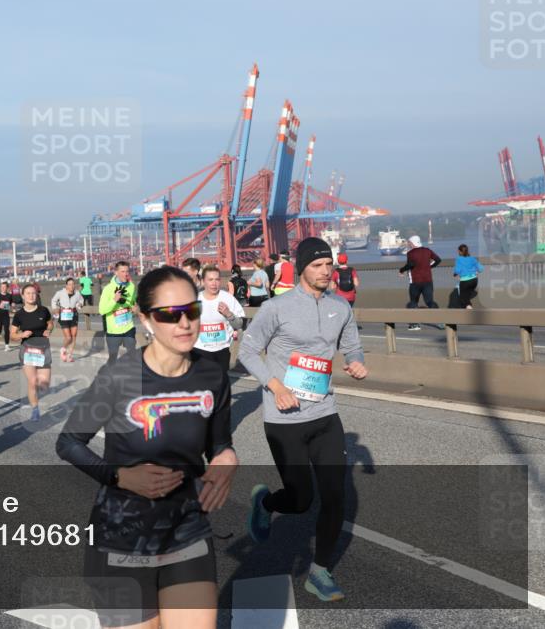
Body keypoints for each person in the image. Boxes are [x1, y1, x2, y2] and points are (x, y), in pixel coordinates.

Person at [56, 265, 237, 629]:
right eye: (170, 314)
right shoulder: (118, 376)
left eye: (191, 310)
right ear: (145, 319)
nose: (184, 323)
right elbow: (69, 442)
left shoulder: (213, 376)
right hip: (122, 536)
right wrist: (120, 477)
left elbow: (219, 443)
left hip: (187, 529)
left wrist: (227, 457)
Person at [239, 236, 368, 603]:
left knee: (335, 497)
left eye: (329, 265)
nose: (326, 271)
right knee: (300, 499)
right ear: (301, 269)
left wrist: (355, 361)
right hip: (284, 419)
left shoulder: (340, 307)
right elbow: (248, 350)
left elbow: (352, 345)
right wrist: (275, 386)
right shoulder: (276, 308)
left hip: (325, 414)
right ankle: (266, 503)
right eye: (317, 265)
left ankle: (320, 571)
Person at [11, 283, 54, 422]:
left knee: (44, 384)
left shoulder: (43, 310)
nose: (31, 295)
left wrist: (49, 330)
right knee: (32, 381)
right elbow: (12, 335)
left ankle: (36, 395)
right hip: (27, 350)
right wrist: (22, 335)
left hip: (43, 350)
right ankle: (35, 409)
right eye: (28, 293)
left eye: (33, 293)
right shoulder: (19, 315)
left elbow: (50, 323)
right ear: (23, 296)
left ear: (37, 295)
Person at [195, 266, 245, 374]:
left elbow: (239, 324)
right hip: (200, 349)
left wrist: (228, 314)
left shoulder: (228, 298)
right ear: (203, 281)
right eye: (210, 280)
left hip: (223, 349)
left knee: (221, 381)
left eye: (217, 279)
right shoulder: (196, 300)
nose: (214, 283)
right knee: (204, 382)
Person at [399, 235, 442, 331]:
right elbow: (438, 260)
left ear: (413, 243)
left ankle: (415, 325)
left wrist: (401, 270)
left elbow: (411, 264)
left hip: (415, 281)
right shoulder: (427, 250)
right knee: (430, 301)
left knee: (413, 302)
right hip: (428, 281)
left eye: (409, 243)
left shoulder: (411, 253)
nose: (409, 244)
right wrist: (429, 267)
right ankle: (441, 321)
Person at [99, 261, 138, 365]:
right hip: (114, 331)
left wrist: (134, 307)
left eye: (127, 271)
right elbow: (101, 310)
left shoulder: (131, 286)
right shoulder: (108, 289)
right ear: (116, 272)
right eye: (122, 271)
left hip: (128, 327)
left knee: (132, 354)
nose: (125, 274)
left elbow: (133, 302)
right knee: (113, 358)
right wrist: (114, 300)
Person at [51, 278, 85, 363]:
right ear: (66, 285)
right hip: (64, 315)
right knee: (68, 337)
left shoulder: (77, 293)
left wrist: (80, 304)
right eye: (69, 284)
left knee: (74, 336)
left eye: (73, 284)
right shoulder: (60, 293)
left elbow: (81, 300)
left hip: (74, 314)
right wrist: (55, 308)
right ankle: (63, 349)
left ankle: (69, 355)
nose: (71, 286)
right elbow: (53, 300)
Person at [453, 244, 483, 309]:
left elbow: (457, 270)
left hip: (465, 281)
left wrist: (454, 274)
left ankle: (469, 310)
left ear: (460, 251)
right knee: (466, 296)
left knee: (463, 299)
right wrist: (476, 272)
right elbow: (481, 268)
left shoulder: (459, 259)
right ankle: (468, 307)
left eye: (458, 251)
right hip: (474, 280)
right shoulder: (472, 258)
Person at [0, 282, 15, 351]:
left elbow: (11, 303)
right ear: (0, 288)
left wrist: (12, 305)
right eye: (2, 287)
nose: (3, 288)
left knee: (7, 330)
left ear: (7, 288)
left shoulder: (9, 295)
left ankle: (7, 346)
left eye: (4, 287)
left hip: (6, 315)